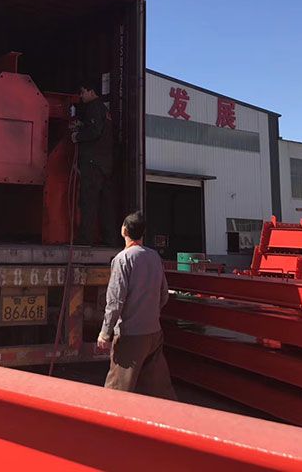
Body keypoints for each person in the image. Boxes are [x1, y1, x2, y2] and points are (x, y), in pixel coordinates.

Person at [97, 211, 176, 399]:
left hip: (130, 335)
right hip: (154, 333)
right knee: (158, 390)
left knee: (117, 392)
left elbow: (115, 301)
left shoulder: (122, 259)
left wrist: (105, 333)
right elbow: (164, 294)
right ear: (142, 233)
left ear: (124, 230)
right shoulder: (154, 257)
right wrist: (149, 314)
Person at [71, 83, 116, 246]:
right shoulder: (105, 110)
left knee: (88, 201)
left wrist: (77, 136)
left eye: (83, 92)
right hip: (105, 164)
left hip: (92, 163)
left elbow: (94, 131)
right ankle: (110, 239)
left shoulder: (93, 107)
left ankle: (85, 239)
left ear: (91, 91)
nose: (81, 96)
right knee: (105, 204)